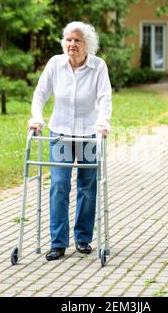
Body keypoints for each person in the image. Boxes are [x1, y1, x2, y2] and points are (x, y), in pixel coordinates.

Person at [28, 21, 112, 261]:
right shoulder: (55, 64)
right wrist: (36, 118)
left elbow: (105, 97)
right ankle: (58, 242)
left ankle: (83, 239)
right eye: (68, 40)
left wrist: (103, 123)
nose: (72, 44)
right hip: (61, 133)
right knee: (59, 185)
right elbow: (40, 94)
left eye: (77, 40)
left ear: (87, 45)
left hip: (88, 133)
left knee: (87, 186)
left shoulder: (98, 66)